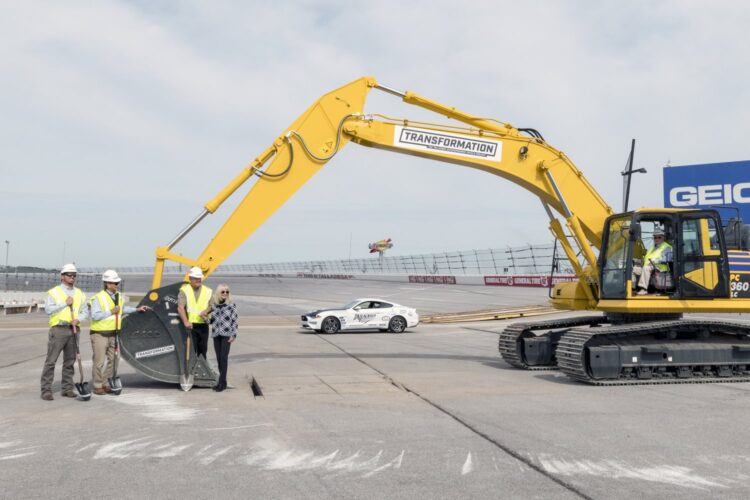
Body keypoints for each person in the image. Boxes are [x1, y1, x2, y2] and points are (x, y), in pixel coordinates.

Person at [89, 270, 150, 395]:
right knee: (99, 361)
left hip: (114, 333)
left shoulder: (119, 297)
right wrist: (111, 312)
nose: (117, 285)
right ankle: (97, 385)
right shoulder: (98, 297)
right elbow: (95, 315)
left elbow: (122, 310)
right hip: (100, 333)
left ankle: (105, 382)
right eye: (115, 283)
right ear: (107, 283)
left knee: (115, 360)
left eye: (118, 283)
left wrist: (137, 309)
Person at [41, 263, 88, 401]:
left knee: (70, 361)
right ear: (62, 276)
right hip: (59, 329)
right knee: (51, 361)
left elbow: (85, 311)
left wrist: (78, 319)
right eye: (69, 275)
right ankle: (46, 390)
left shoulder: (80, 293)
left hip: (73, 329)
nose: (72, 277)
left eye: (74, 275)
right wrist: (65, 303)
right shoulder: (54, 292)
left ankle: (67, 388)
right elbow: (48, 310)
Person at [177, 267, 213, 360]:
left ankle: (201, 370)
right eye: (195, 278)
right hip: (191, 326)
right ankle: (191, 370)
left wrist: (206, 311)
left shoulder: (208, 291)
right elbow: (180, 308)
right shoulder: (184, 290)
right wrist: (185, 322)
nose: (198, 280)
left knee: (203, 350)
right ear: (190, 279)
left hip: (203, 324)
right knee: (192, 351)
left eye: (199, 278)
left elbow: (213, 305)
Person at [209, 284, 237, 392]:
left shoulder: (231, 305)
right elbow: (212, 321)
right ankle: (222, 381)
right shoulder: (215, 306)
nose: (225, 293)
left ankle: (221, 383)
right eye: (223, 292)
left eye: (227, 292)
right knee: (219, 359)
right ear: (218, 293)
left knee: (223, 358)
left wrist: (234, 334)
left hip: (226, 335)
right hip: (216, 335)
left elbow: (234, 321)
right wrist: (204, 318)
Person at [632, 228, 673, 295]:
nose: (657, 239)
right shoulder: (653, 248)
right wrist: (640, 261)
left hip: (660, 268)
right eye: (655, 237)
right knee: (634, 269)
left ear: (663, 238)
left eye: (659, 237)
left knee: (646, 268)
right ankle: (633, 288)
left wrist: (656, 261)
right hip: (650, 267)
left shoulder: (667, 247)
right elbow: (647, 259)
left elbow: (668, 258)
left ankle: (643, 289)